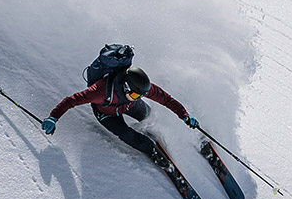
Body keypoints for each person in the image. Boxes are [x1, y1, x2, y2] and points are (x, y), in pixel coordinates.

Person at [42, 43, 198, 161]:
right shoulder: (100, 91)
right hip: (107, 113)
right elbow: (71, 101)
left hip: (127, 106)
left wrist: (184, 115)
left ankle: (154, 129)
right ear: (126, 86)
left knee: (149, 115)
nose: (139, 96)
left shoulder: (140, 88)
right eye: (136, 94)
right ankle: (152, 150)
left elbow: (166, 99)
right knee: (126, 134)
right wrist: (53, 118)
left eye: (141, 95)